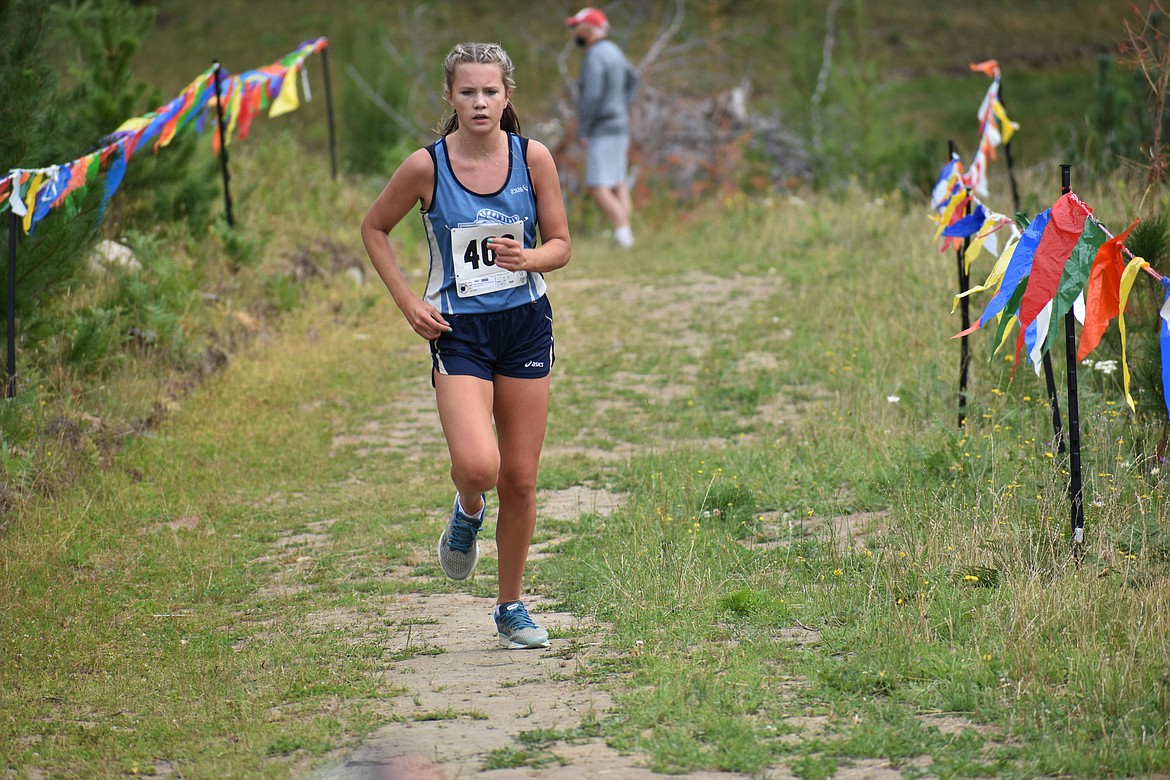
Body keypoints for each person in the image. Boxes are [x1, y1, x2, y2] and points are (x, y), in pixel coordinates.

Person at [360, 42, 571, 650]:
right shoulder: (426, 167)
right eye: (468, 92)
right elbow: (374, 228)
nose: (480, 102)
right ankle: (468, 509)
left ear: (508, 97)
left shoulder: (534, 158)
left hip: (525, 323)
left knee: (523, 480)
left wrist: (528, 257)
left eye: (491, 92)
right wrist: (408, 302)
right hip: (459, 333)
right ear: (450, 98)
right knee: (481, 466)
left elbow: (560, 244)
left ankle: (510, 607)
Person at [565, 6, 638, 248]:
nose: (574, 32)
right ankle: (624, 233)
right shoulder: (615, 51)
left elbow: (592, 95)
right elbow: (633, 78)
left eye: (576, 27)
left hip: (602, 127)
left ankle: (623, 235)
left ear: (588, 29)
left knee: (597, 185)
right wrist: (622, 105)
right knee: (617, 182)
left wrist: (584, 128)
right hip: (619, 124)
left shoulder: (595, 55)